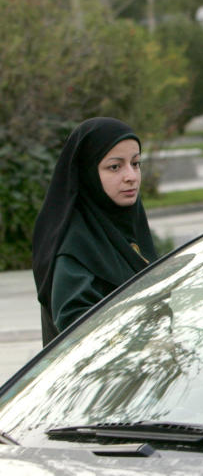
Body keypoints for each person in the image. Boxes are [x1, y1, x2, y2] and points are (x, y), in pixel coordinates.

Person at [32, 117, 156, 345]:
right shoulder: (75, 246)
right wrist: (142, 342)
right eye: (115, 167)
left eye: (136, 163)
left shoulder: (127, 225)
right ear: (87, 172)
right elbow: (77, 326)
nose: (131, 176)